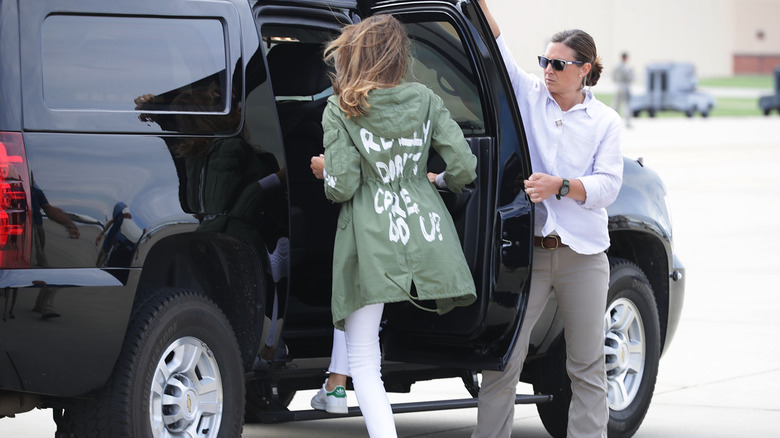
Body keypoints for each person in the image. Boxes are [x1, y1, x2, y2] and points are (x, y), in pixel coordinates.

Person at [312, 14, 478, 437]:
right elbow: (463, 168)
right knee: (373, 355)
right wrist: (436, 180)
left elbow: (342, 186)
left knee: (364, 360)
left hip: (369, 241)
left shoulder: (341, 106)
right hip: (424, 235)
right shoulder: (424, 98)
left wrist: (325, 169)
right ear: (399, 56)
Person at [474, 2, 624, 438]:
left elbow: (607, 187)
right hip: (531, 255)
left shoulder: (605, 122)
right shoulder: (529, 95)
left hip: (584, 257)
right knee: (504, 357)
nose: (548, 70)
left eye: (558, 63)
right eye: (545, 61)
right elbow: (495, 46)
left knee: (586, 365)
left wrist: (560, 186)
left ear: (585, 69)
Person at [612, 52, 634, 127]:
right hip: (625, 86)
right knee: (627, 104)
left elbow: (613, 77)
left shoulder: (617, 67)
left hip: (618, 85)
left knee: (616, 104)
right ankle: (627, 123)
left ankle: (613, 122)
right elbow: (631, 78)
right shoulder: (627, 68)